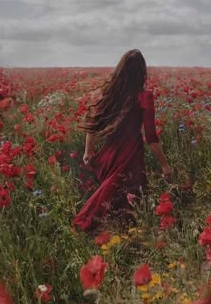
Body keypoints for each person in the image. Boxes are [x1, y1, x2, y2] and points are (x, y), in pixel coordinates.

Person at [73, 49, 172, 232]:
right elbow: (151, 137)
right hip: (131, 156)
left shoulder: (111, 94)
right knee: (126, 201)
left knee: (112, 198)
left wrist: (88, 151)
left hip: (110, 155)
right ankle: (93, 229)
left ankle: (107, 233)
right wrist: (164, 165)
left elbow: (94, 124)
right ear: (142, 71)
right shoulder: (144, 97)